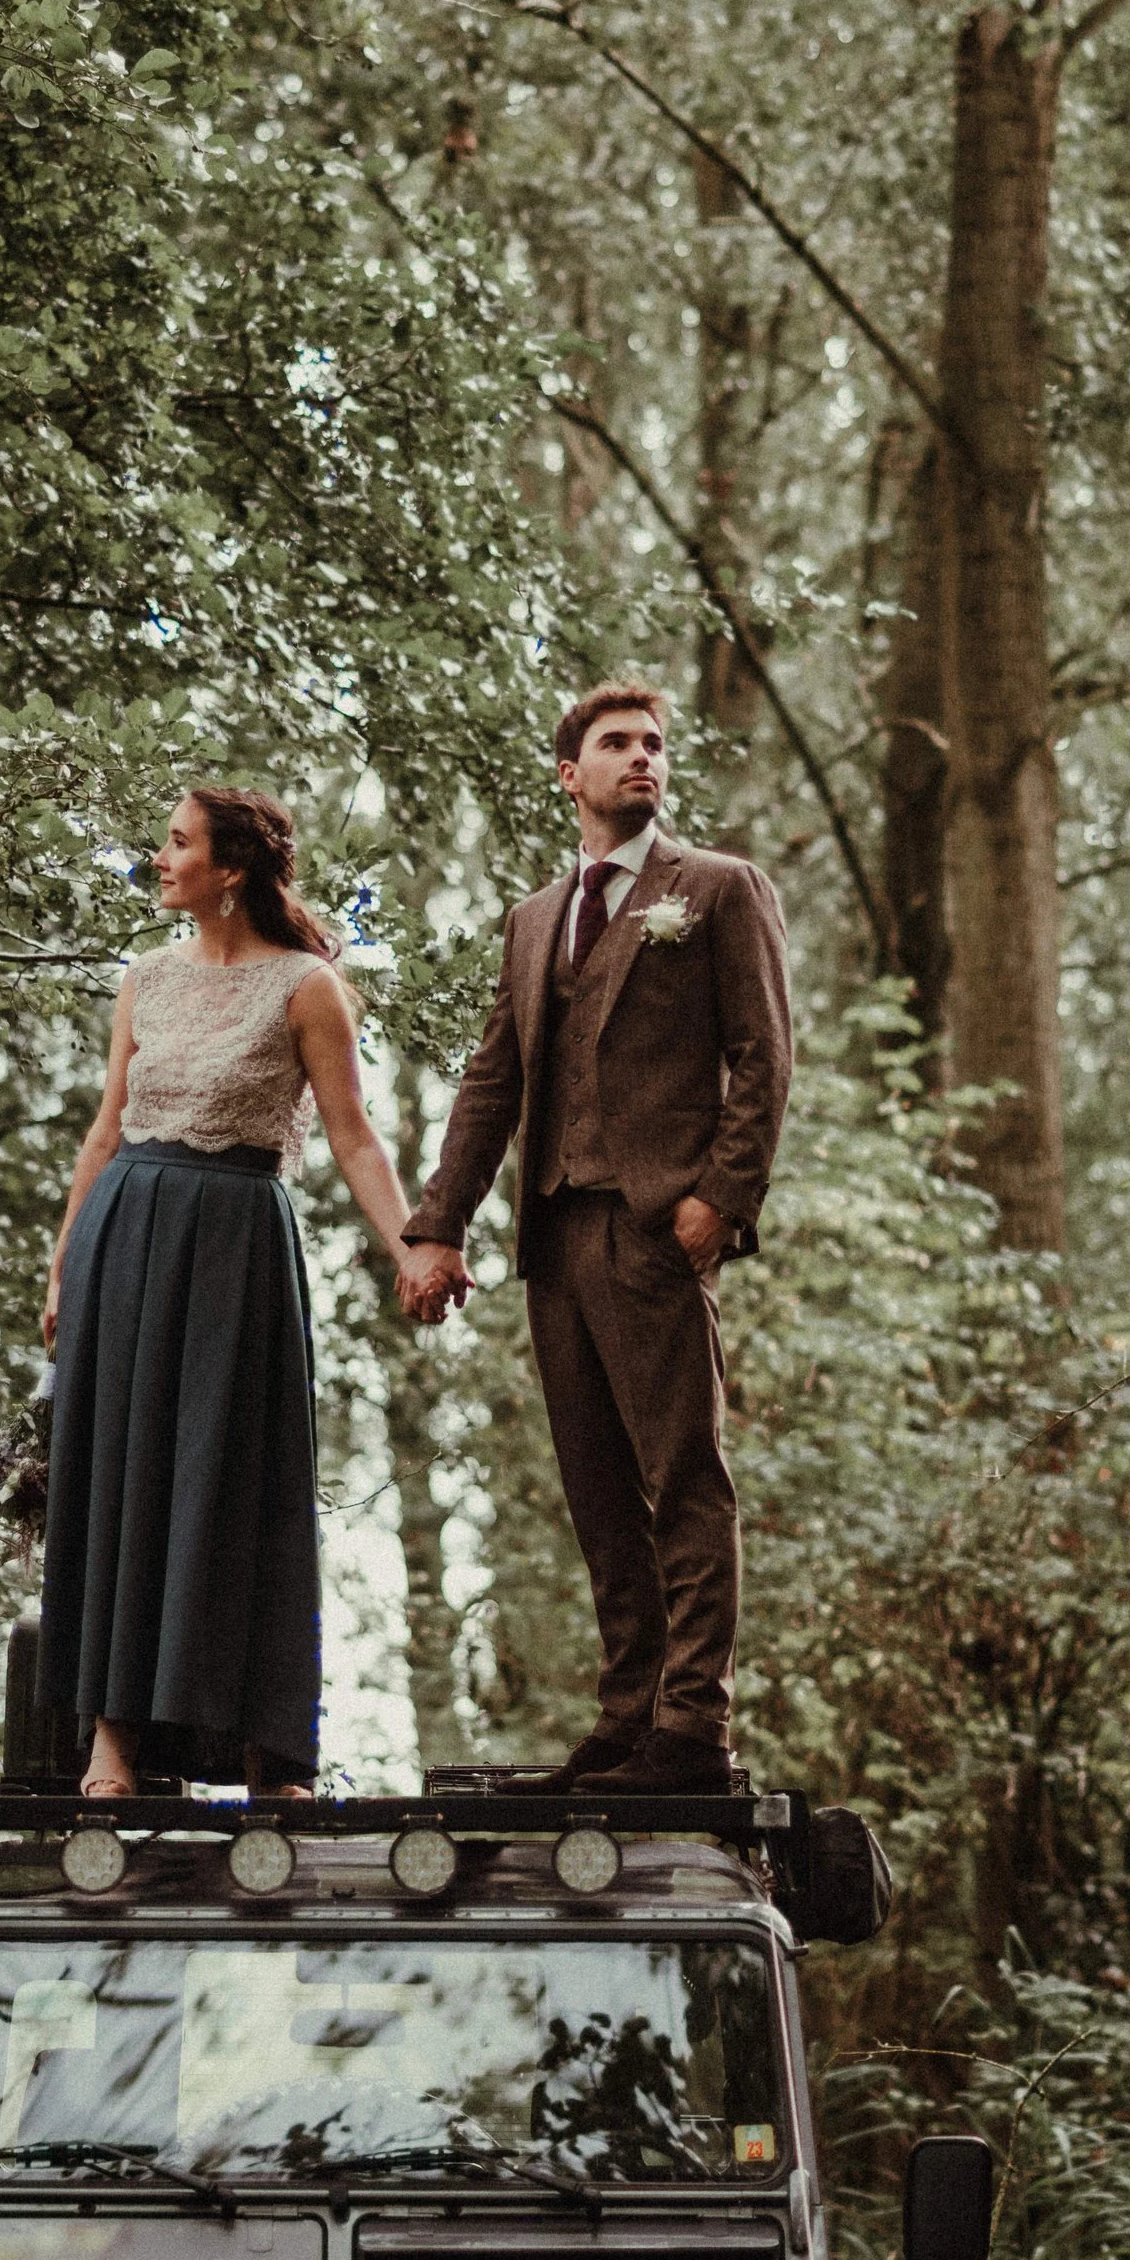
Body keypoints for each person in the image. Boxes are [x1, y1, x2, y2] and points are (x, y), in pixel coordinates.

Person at [395, 684, 793, 1797]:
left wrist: (722, 1198)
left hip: (654, 1225)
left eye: (653, 745)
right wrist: (437, 1225)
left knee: (684, 1476)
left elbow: (765, 1055)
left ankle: (692, 1723)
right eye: (616, 745)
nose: (641, 759)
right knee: (598, 1488)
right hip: (554, 1237)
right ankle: (628, 1715)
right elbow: (492, 1082)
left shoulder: (714, 890)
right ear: (567, 774)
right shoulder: (532, 917)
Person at [39, 784, 422, 1801]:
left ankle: (271, 1754)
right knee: (124, 1474)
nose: (159, 858)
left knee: (241, 1482)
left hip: (237, 1246)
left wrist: (412, 1249)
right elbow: (105, 1128)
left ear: (232, 868)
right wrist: (63, 1263)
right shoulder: (144, 980)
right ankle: (110, 1750)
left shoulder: (306, 986)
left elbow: (354, 1138)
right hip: (126, 1236)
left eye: (176, 843)